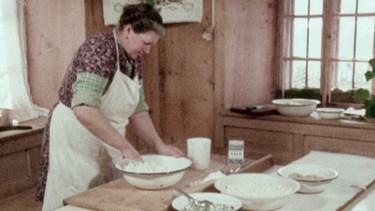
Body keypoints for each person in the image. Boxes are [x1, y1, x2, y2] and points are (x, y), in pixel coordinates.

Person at [35, 3, 185, 211]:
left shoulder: (133, 58)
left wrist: (158, 145)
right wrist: (126, 147)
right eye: (146, 43)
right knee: (77, 199)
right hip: (77, 137)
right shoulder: (99, 50)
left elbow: (138, 109)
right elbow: (84, 109)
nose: (148, 51)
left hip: (108, 138)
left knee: (105, 198)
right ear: (128, 31)